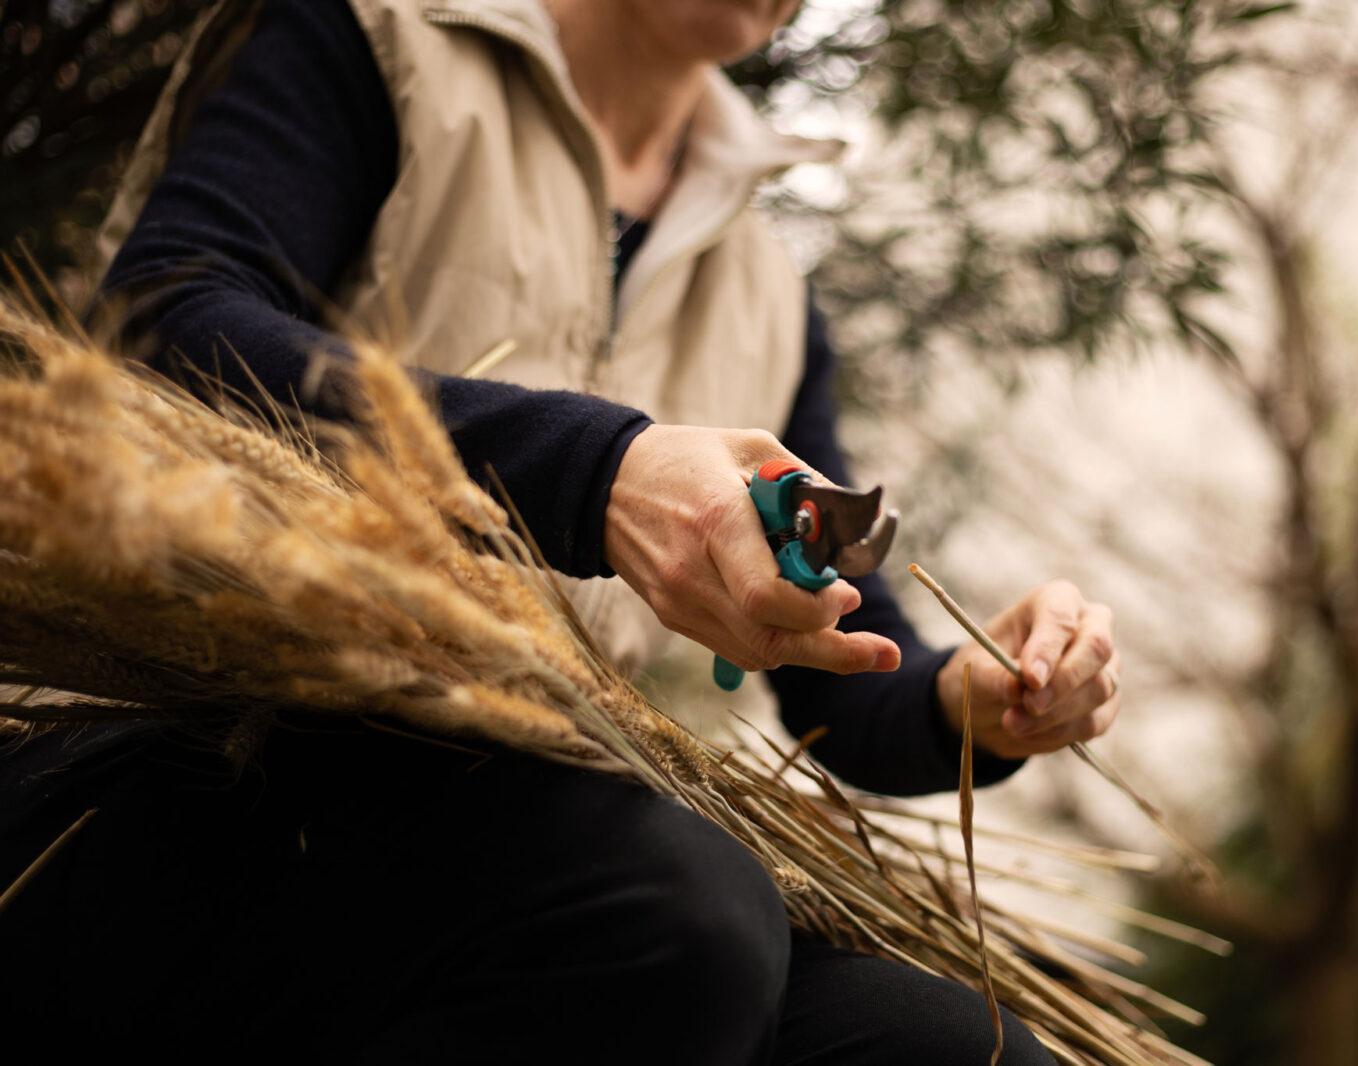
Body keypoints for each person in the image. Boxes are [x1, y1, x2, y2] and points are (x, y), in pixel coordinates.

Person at [0, 1, 1122, 1061]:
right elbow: (166, 335)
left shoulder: (767, 290)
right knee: (676, 913)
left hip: (548, 821)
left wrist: (970, 699)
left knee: (950, 1045)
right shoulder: (388, 41)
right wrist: (600, 474)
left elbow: (847, 670)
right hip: (214, 767)